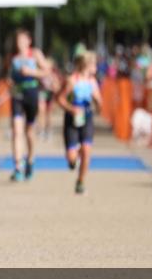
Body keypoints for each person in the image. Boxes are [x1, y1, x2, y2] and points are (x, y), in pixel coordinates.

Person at [7, 29, 51, 181]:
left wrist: (31, 72)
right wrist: (10, 81)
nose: (19, 43)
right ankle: (18, 167)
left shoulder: (35, 54)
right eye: (17, 40)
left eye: (22, 40)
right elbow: (10, 76)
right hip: (17, 94)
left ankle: (31, 160)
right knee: (16, 130)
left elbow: (47, 71)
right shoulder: (14, 57)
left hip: (31, 93)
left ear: (29, 41)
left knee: (29, 132)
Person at [57, 52, 102, 195]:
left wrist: (98, 102)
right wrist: (72, 109)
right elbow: (60, 99)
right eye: (94, 64)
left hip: (87, 118)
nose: (96, 67)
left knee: (87, 151)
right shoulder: (72, 80)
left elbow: (100, 104)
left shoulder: (92, 82)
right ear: (86, 65)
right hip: (72, 120)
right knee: (72, 157)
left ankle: (80, 182)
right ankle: (73, 160)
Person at [37, 57, 61, 141]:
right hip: (42, 93)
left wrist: (54, 86)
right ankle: (41, 130)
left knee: (48, 114)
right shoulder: (40, 74)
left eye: (47, 65)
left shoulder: (54, 75)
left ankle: (48, 130)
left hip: (50, 95)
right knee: (41, 111)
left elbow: (57, 87)